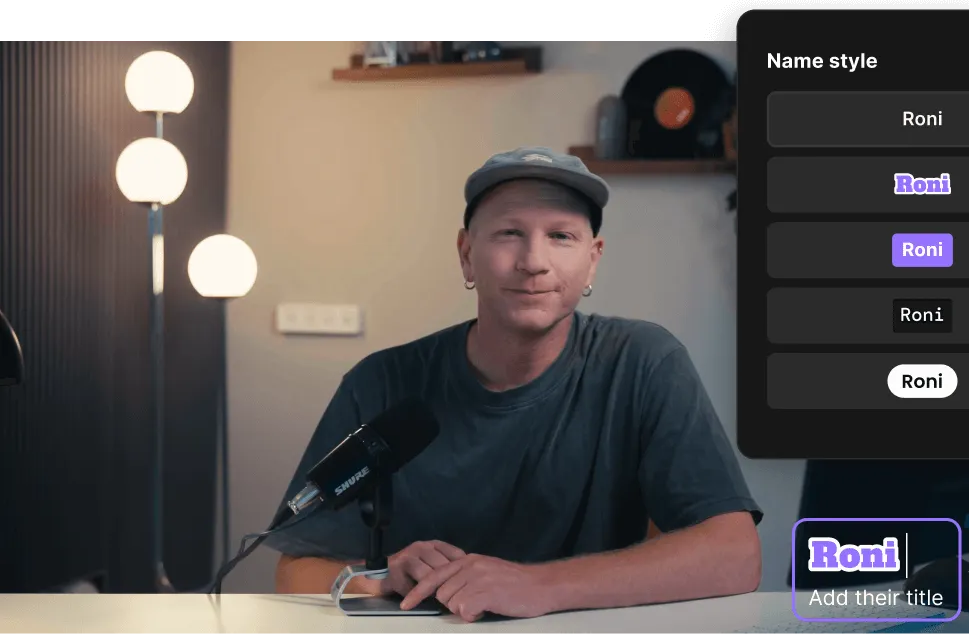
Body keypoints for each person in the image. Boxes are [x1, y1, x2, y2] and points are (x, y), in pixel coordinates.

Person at [265, 146, 763, 622]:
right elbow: (294, 569)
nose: (533, 261)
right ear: (466, 253)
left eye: (561, 236)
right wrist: (376, 579)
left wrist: (537, 586)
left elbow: (735, 554)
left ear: (593, 258)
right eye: (508, 233)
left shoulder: (644, 363)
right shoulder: (380, 381)